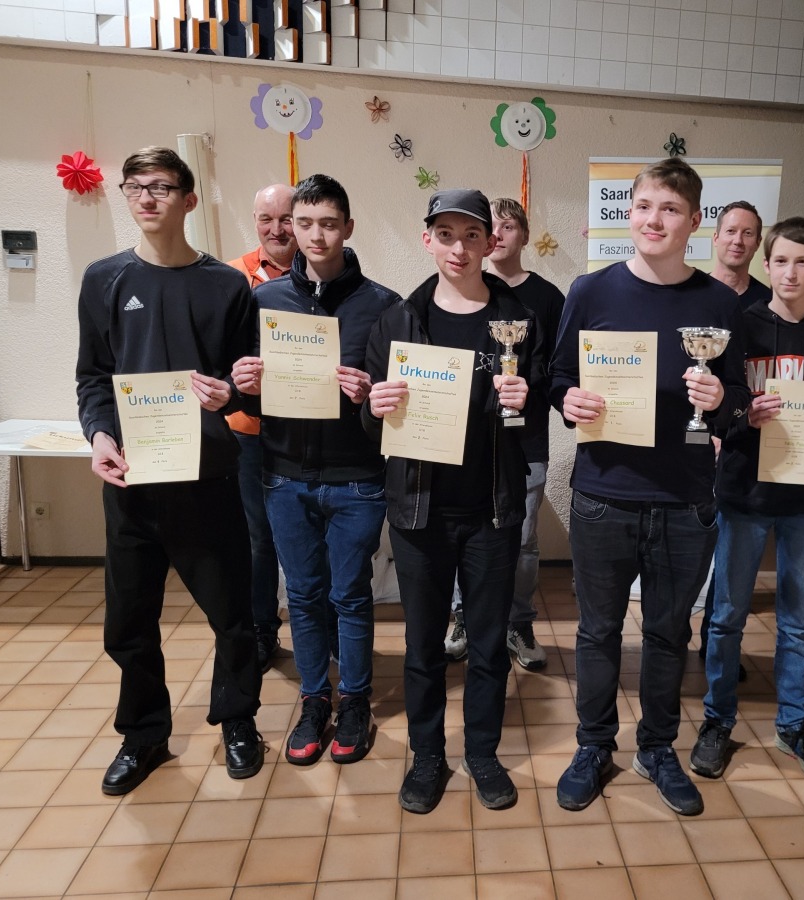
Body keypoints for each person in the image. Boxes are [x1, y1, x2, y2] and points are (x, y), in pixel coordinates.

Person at [550, 158, 750, 816]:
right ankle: (593, 746)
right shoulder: (591, 291)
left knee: (668, 635)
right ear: (628, 213)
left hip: (686, 501)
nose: (653, 219)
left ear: (693, 222)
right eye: (643, 206)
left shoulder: (720, 304)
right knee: (597, 633)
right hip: (603, 495)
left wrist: (721, 400)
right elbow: (558, 376)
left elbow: (740, 399)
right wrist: (567, 400)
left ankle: (658, 748)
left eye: (669, 209)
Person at [76, 146, 263, 795]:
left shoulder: (226, 286)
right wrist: (100, 434)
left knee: (232, 614)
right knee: (129, 620)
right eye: (135, 187)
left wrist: (231, 395)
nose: (146, 197)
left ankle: (238, 720)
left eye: (160, 186)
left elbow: (247, 382)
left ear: (188, 199)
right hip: (133, 481)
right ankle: (144, 733)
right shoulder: (103, 280)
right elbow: (93, 377)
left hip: (208, 479)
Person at [364, 189, 544, 814]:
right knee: (422, 647)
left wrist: (527, 399)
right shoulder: (397, 321)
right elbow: (371, 424)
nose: (459, 249)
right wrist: (373, 407)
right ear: (428, 241)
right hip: (420, 512)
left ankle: (483, 753)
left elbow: (541, 403)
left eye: (471, 235)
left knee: (489, 644)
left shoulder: (519, 319)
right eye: (446, 235)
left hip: (493, 509)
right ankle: (427, 756)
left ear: (491, 241)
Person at [231, 174, 400, 766]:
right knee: (301, 596)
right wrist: (243, 387)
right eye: (304, 224)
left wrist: (370, 396)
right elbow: (248, 402)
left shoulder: (383, 305)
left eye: (328, 224)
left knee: (350, 595)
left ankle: (354, 701)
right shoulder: (264, 302)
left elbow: (398, 404)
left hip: (357, 478)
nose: (315, 236)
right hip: (283, 476)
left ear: (347, 227)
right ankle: (314, 700)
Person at [690, 217, 804, 784]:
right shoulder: (739, 327)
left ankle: (793, 723)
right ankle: (717, 720)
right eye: (781, 261)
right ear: (767, 265)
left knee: (797, 621)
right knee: (726, 616)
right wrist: (743, 413)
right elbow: (719, 410)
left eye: (802, 262)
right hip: (744, 490)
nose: (790, 273)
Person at [444, 197, 565, 671]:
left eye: (509, 225)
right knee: (465, 534)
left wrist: (531, 390)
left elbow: (558, 369)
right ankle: (463, 617)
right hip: (470, 441)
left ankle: (519, 622)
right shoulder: (465, 290)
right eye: (490, 226)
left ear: (523, 236)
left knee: (525, 540)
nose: (498, 233)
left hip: (526, 441)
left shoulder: (547, 298)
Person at [227, 183, 296, 671]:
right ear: (254, 221)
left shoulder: (323, 275)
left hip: (305, 431)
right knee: (257, 537)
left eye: (286, 218)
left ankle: (324, 629)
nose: (276, 229)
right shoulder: (232, 277)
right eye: (265, 218)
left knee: (309, 535)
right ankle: (262, 629)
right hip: (247, 431)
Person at [699, 200, 770, 668]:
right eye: (730, 231)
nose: (737, 241)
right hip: (690, 443)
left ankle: (716, 646)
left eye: (747, 233)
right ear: (714, 237)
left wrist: (734, 425)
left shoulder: (765, 306)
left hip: (743, 444)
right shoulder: (695, 295)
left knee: (729, 554)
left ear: (757, 243)